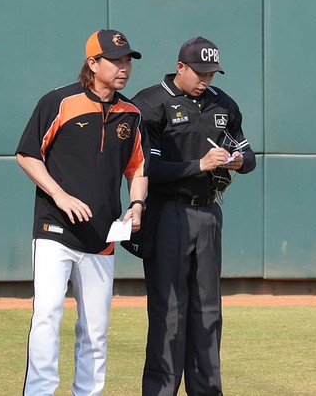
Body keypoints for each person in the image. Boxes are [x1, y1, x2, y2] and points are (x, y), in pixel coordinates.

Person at [16, 29, 150, 396]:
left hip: (102, 236)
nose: (124, 68)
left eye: (128, 60)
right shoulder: (59, 102)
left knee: (96, 328)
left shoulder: (131, 114)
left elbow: (138, 167)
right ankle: (40, 392)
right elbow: (27, 155)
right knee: (47, 315)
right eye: (116, 60)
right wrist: (59, 195)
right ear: (92, 63)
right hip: (54, 230)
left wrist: (137, 204)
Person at [131, 36, 257, 396]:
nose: (205, 80)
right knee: (169, 311)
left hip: (208, 213)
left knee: (208, 312)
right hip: (168, 212)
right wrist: (198, 165)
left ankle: (206, 391)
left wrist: (237, 161)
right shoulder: (151, 103)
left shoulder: (223, 104)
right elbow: (147, 168)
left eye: (211, 73)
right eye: (199, 72)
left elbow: (249, 157)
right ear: (180, 67)